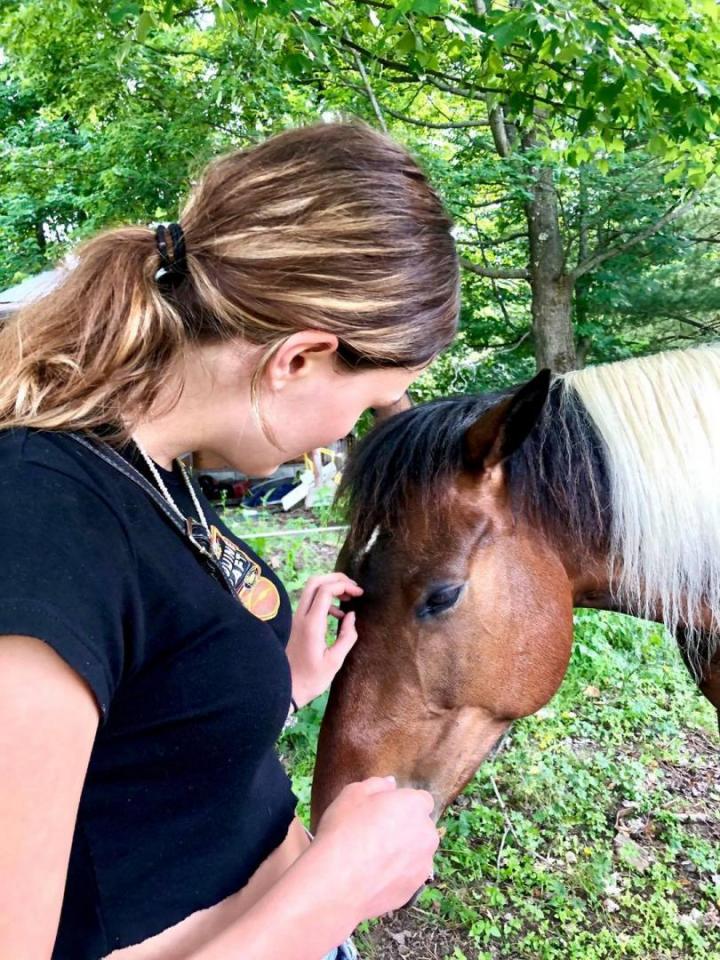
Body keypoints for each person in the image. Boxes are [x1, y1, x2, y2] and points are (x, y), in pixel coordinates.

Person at [0, 119, 461, 960]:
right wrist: (337, 888)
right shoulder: (37, 522)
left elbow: (132, 757)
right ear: (298, 358)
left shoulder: (152, 464)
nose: (343, 435)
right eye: (364, 404)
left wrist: (277, 683)